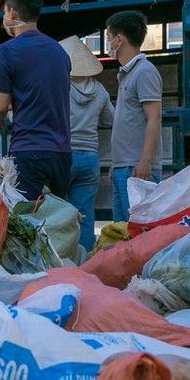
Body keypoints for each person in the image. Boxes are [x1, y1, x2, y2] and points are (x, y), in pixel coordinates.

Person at [0, 0, 72, 201]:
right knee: (56, 222)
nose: (4, 16)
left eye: (5, 11)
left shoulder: (6, 51)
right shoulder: (59, 51)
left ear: (12, 12)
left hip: (28, 150)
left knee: (25, 223)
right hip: (61, 153)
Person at [106, 10, 163, 223]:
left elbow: (154, 118)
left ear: (120, 39)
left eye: (109, 37)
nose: (108, 42)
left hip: (137, 169)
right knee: (122, 232)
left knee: (139, 231)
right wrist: (116, 161)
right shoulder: (128, 73)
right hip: (124, 166)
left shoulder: (144, 72)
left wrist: (145, 160)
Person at [60, 35, 112, 251]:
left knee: (59, 214)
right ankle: (86, 263)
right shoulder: (99, 90)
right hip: (90, 158)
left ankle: (62, 263)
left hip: (64, 155)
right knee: (84, 214)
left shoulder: (61, 86)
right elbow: (110, 120)